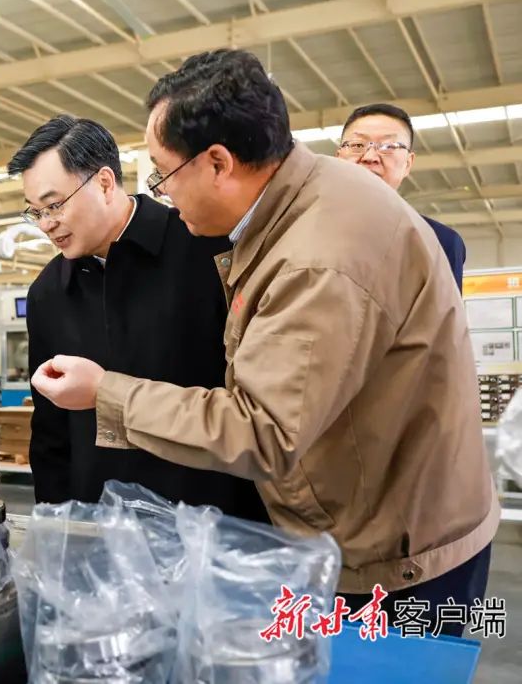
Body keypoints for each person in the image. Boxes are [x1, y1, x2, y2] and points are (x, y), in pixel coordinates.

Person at [30, 49, 498, 635]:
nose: (163, 194)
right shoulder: (303, 203)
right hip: (358, 520)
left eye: (163, 175)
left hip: (397, 555)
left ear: (219, 162)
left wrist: (106, 393)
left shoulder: (314, 258)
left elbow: (264, 431)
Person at [10, 115, 267, 522]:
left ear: (104, 182)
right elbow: (51, 434)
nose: (46, 224)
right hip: (100, 527)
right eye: (35, 211)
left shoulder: (207, 251)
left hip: (212, 522)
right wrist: (59, 529)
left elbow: (253, 408)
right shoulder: (48, 293)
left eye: (55, 205)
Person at [336, 103, 466, 290]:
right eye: (357, 145)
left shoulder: (438, 242)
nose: (370, 156)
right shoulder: (302, 229)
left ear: (408, 163)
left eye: (389, 146)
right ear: (338, 157)